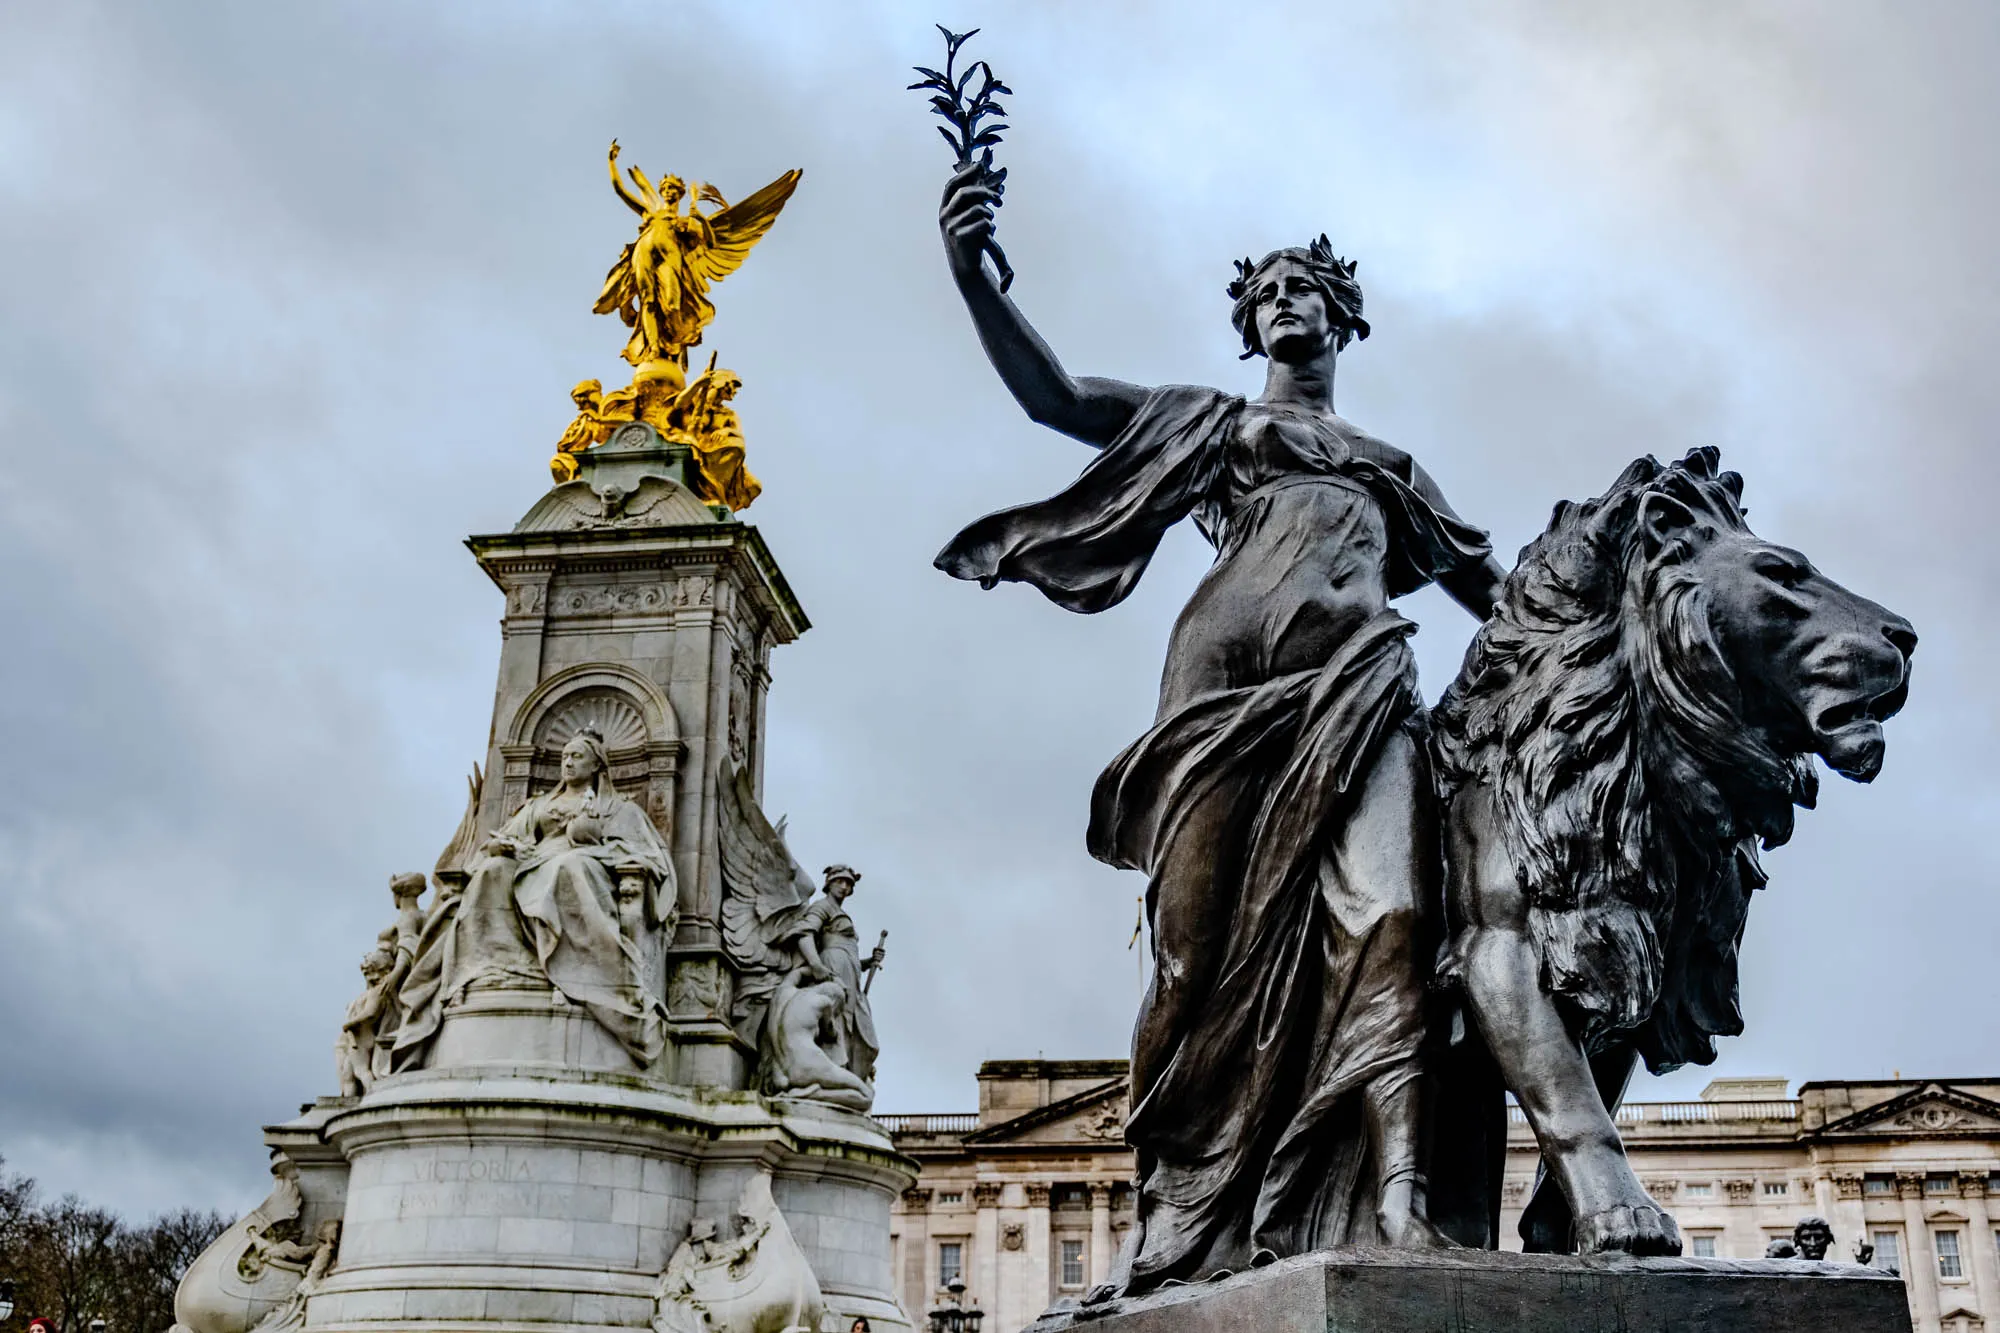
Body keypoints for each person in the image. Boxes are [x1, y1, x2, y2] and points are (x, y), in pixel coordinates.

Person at [933, 162, 1507, 1293]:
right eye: (1267, 294)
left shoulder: (1394, 471)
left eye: (1307, 288)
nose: (1286, 302)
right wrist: (973, 275)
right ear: (1249, 328)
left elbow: (1507, 601)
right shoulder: (1209, 424)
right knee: (1191, 958)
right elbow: (1053, 399)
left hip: (1359, 692)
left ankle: (1398, 1203)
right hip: (1216, 699)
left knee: (1393, 914)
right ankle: (1174, 1209)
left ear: (1343, 317)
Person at [394, 727, 674, 1067]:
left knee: (568, 869)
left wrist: (589, 837)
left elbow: (643, 852)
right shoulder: (539, 804)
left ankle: (576, 972)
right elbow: (505, 837)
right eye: (565, 757)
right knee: (493, 872)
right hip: (531, 859)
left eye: (577, 757)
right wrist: (497, 847)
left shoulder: (617, 808)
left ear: (597, 765)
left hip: (585, 860)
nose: (568, 763)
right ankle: (495, 967)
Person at [784, 866, 884, 1083]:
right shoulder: (822, 906)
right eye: (840, 881)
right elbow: (804, 934)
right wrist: (816, 964)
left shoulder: (839, 911)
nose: (844, 887)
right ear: (829, 883)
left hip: (850, 972)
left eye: (849, 884)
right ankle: (832, 1072)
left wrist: (868, 962)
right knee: (836, 1021)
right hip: (832, 966)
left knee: (854, 1028)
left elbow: (847, 950)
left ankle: (845, 1074)